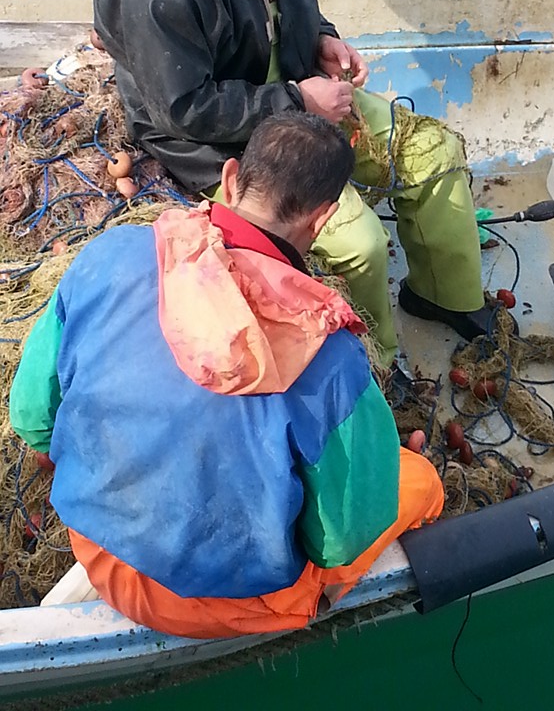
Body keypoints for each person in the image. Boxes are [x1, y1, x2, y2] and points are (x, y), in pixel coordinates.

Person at [92, 0, 498, 378]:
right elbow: (184, 110)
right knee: (359, 241)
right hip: (212, 137)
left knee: (433, 153)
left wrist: (322, 37)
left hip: (293, 94)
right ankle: (371, 365)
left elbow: (283, 1)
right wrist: (298, 101)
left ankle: (444, 295)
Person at [9, 112, 444, 638]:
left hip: (97, 548)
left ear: (232, 178)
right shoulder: (332, 356)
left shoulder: (110, 253)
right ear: (323, 220)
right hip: (213, 607)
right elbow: (338, 541)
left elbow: (32, 417)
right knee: (418, 482)